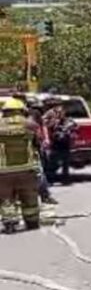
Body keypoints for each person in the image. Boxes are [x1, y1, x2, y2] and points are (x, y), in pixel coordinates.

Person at [0, 98, 42, 233]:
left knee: (6, 198)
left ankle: (9, 223)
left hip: (3, 171)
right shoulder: (30, 125)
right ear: (21, 110)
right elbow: (38, 143)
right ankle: (32, 221)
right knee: (29, 197)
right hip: (27, 169)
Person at [43, 100, 75, 184]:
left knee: (65, 162)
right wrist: (54, 122)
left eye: (61, 111)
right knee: (52, 163)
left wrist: (67, 127)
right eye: (58, 111)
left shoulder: (67, 120)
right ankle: (50, 179)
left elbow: (73, 126)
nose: (60, 113)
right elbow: (45, 124)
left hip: (64, 143)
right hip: (55, 143)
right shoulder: (51, 117)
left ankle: (65, 179)